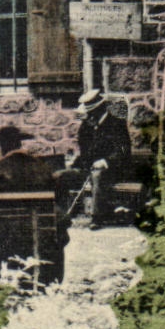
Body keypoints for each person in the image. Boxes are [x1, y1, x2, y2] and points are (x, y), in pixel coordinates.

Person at [55, 89, 134, 229]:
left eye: (91, 112)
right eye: (88, 112)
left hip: (112, 171)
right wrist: (74, 164)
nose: (88, 116)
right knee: (60, 176)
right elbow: (84, 152)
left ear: (100, 109)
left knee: (98, 175)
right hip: (87, 170)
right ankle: (60, 215)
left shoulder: (117, 124)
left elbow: (123, 151)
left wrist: (105, 161)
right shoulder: (86, 126)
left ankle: (97, 218)